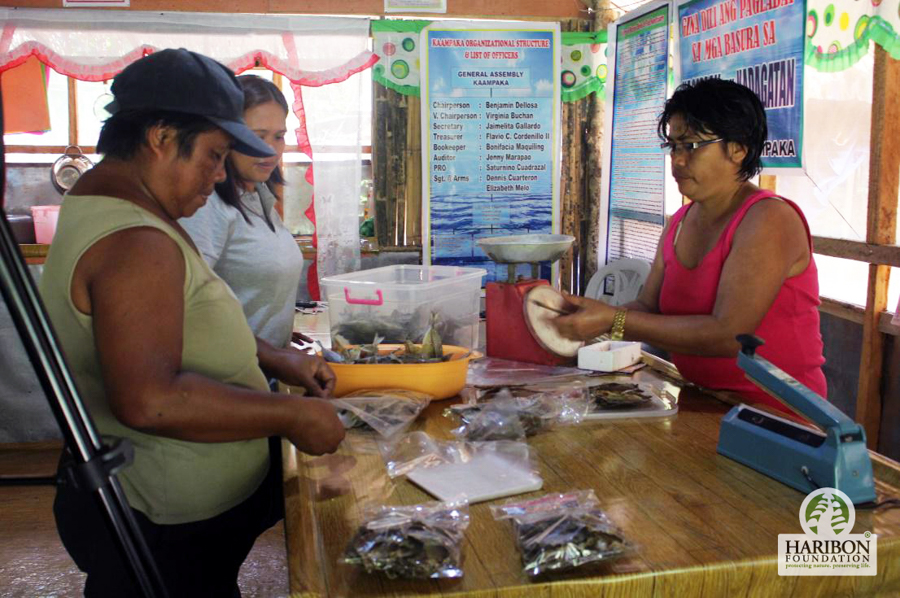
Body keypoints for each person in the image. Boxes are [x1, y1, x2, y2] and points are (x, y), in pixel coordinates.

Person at [38, 49, 344, 597]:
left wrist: (275, 359)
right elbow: (151, 401)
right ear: (160, 137)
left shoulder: (112, 205)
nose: (219, 174)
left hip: (166, 509)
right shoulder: (136, 241)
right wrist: (291, 414)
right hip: (163, 522)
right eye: (213, 154)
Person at [554, 78, 826, 414]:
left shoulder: (769, 218)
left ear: (738, 149)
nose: (678, 160)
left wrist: (612, 320)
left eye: (692, 146)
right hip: (706, 401)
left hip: (778, 414)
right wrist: (586, 314)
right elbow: (649, 307)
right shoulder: (680, 222)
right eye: (673, 146)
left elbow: (729, 335)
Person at [180, 74, 301, 351]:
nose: (270, 149)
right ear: (225, 138)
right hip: (226, 372)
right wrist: (270, 353)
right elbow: (187, 310)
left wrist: (277, 332)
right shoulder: (207, 205)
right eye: (256, 137)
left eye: (279, 137)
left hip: (262, 368)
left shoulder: (258, 195)